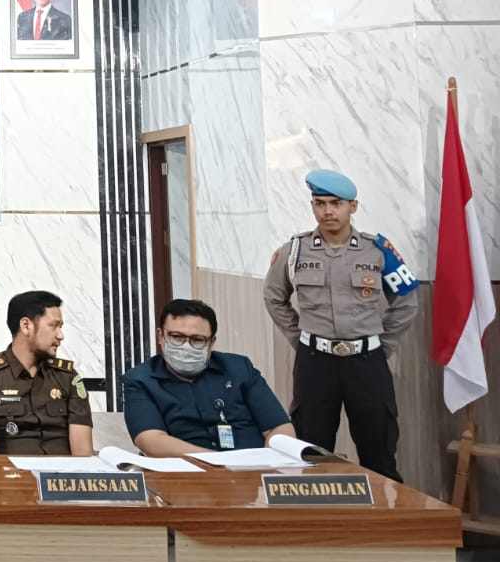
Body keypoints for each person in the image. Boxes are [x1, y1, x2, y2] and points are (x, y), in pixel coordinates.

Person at [263, 168, 419, 480]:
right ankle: (317, 510)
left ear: (353, 206)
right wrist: (301, 340)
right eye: (320, 203)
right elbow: (274, 297)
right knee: (311, 450)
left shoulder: (378, 250)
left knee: (379, 450)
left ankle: (385, 510)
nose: (328, 211)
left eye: (336, 203)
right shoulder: (294, 251)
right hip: (315, 362)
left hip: (367, 362)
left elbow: (406, 301)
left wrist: (380, 347)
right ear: (313, 206)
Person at [123, 298, 295, 455]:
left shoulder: (239, 368)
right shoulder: (140, 380)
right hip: (187, 472)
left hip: (254, 468)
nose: (186, 346)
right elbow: (151, 440)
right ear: (161, 336)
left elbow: (279, 427)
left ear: (211, 342)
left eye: (197, 340)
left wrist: (270, 463)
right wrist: (219, 464)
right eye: (176, 337)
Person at [0, 290, 93, 455]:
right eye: (53, 326)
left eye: (61, 327)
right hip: (10, 471)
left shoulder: (68, 378)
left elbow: (83, 456)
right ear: (26, 326)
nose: (61, 336)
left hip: (62, 471)